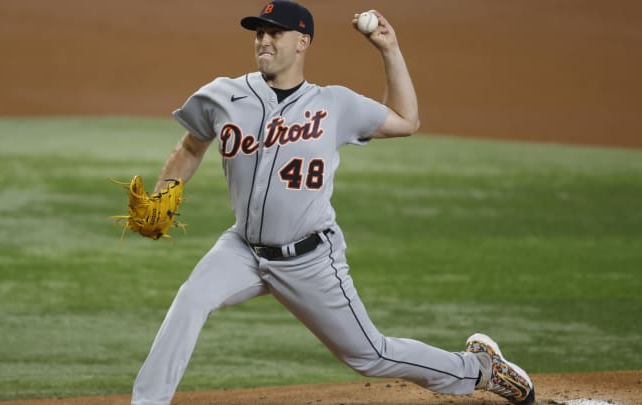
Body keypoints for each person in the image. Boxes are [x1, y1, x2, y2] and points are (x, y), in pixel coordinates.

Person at [131, 1, 535, 404]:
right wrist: (165, 192)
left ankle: (480, 368)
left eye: (275, 33)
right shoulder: (223, 95)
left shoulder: (333, 105)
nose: (263, 41)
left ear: (302, 41)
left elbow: (406, 120)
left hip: (309, 258)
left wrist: (388, 50)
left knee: (370, 355)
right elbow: (190, 145)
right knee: (190, 299)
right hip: (242, 248)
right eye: (259, 33)